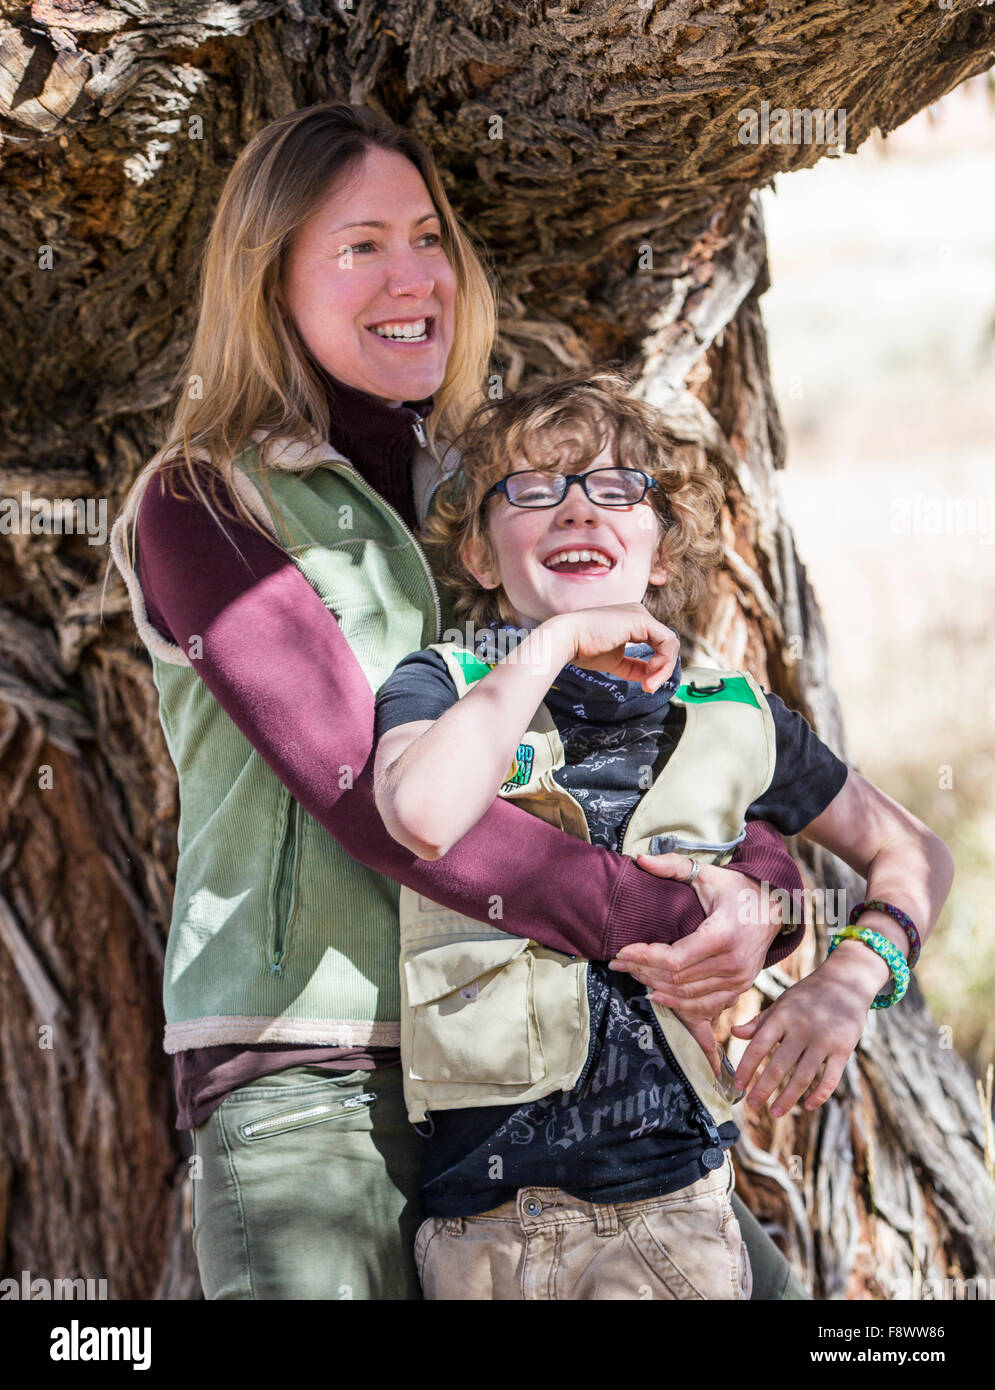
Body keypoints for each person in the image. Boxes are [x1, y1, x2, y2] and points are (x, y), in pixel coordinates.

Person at [108, 101, 810, 1301]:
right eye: (359, 245)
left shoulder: (498, 494)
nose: (412, 275)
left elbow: (647, 747)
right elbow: (370, 801)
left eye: (427, 235)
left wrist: (761, 899)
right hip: (316, 1072)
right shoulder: (205, 504)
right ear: (267, 282)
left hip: (537, 1062)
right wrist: (661, 916)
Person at [372, 367, 955, 1301]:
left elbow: (913, 851)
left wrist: (849, 983)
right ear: (480, 556)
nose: (575, 510)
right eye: (530, 489)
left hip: (671, 1210)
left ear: (661, 551)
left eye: (614, 489)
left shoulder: (733, 711)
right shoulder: (441, 684)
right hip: (481, 1226)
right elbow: (423, 814)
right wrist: (554, 645)